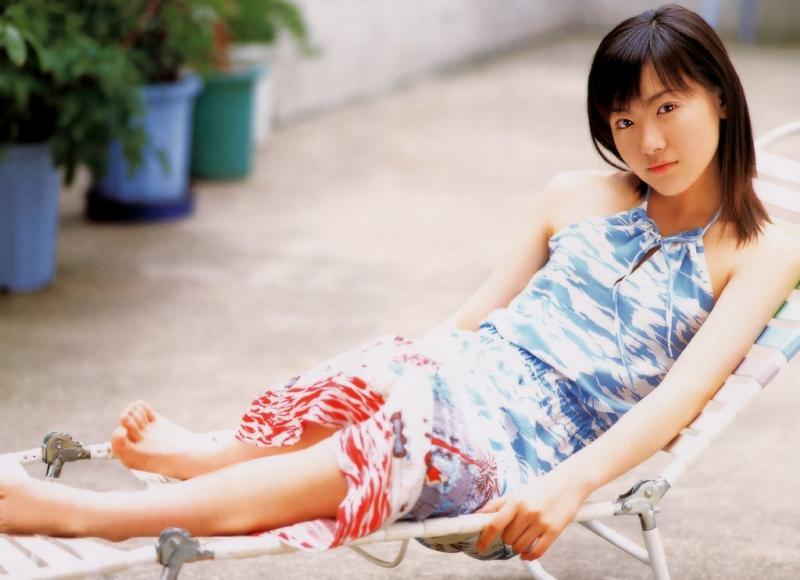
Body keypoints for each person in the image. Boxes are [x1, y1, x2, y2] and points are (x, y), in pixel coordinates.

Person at [1, 3, 798, 563]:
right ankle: (221, 458)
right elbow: (472, 321)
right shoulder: (574, 196)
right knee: (393, 367)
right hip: (472, 374)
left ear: (721, 97)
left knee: (411, 430)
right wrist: (402, 369)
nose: (649, 141)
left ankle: (94, 516)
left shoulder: (761, 250)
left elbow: (679, 400)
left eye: (668, 107)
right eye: (624, 121)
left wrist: (568, 486)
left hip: (532, 444)